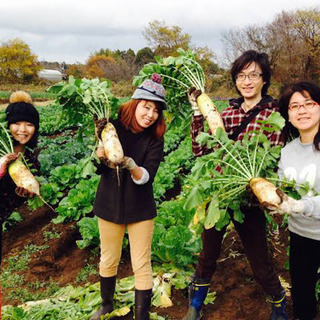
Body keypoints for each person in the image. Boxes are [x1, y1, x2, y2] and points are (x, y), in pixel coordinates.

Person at [184, 50, 288, 320]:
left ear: (264, 79)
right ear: (235, 80)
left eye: (254, 75)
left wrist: (244, 177)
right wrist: (199, 113)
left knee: (260, 262)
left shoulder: (273, 114)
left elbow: (270, 158)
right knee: (207, 254)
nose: (247, 81)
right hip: (220, 195)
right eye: (241, 76)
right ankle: (196, 302)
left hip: (250, 200)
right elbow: (200, 150)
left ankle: (278, 304)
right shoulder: (226, 112)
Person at [90, 74, 166, 320]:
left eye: (156, 110)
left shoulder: (155, 138)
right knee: (108, 258)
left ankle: (141, 315)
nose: (150, 114)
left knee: (141, 264)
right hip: (109, 201)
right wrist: (101, 156)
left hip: (140, 206)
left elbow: (147, 176)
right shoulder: (112, 127)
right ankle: (106, 304)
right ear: (135, 103)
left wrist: (132, 166)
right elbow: (99, 168)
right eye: (146, 107)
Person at [265, 81, 320, 320]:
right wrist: (273, 202)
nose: (302, 111)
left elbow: (300, 202)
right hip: (301, 235)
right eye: (294, 106)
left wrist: (300, 206)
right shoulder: (286, 152)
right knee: (302, 296)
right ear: (287, 114)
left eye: (309, 104)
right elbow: (281, 189)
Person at [0, 91, 40, 267]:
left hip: (10, 228)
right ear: (7, 126)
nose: (22, 130)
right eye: (16, 123)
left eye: (29, 124)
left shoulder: (32, 161)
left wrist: (25, 195)